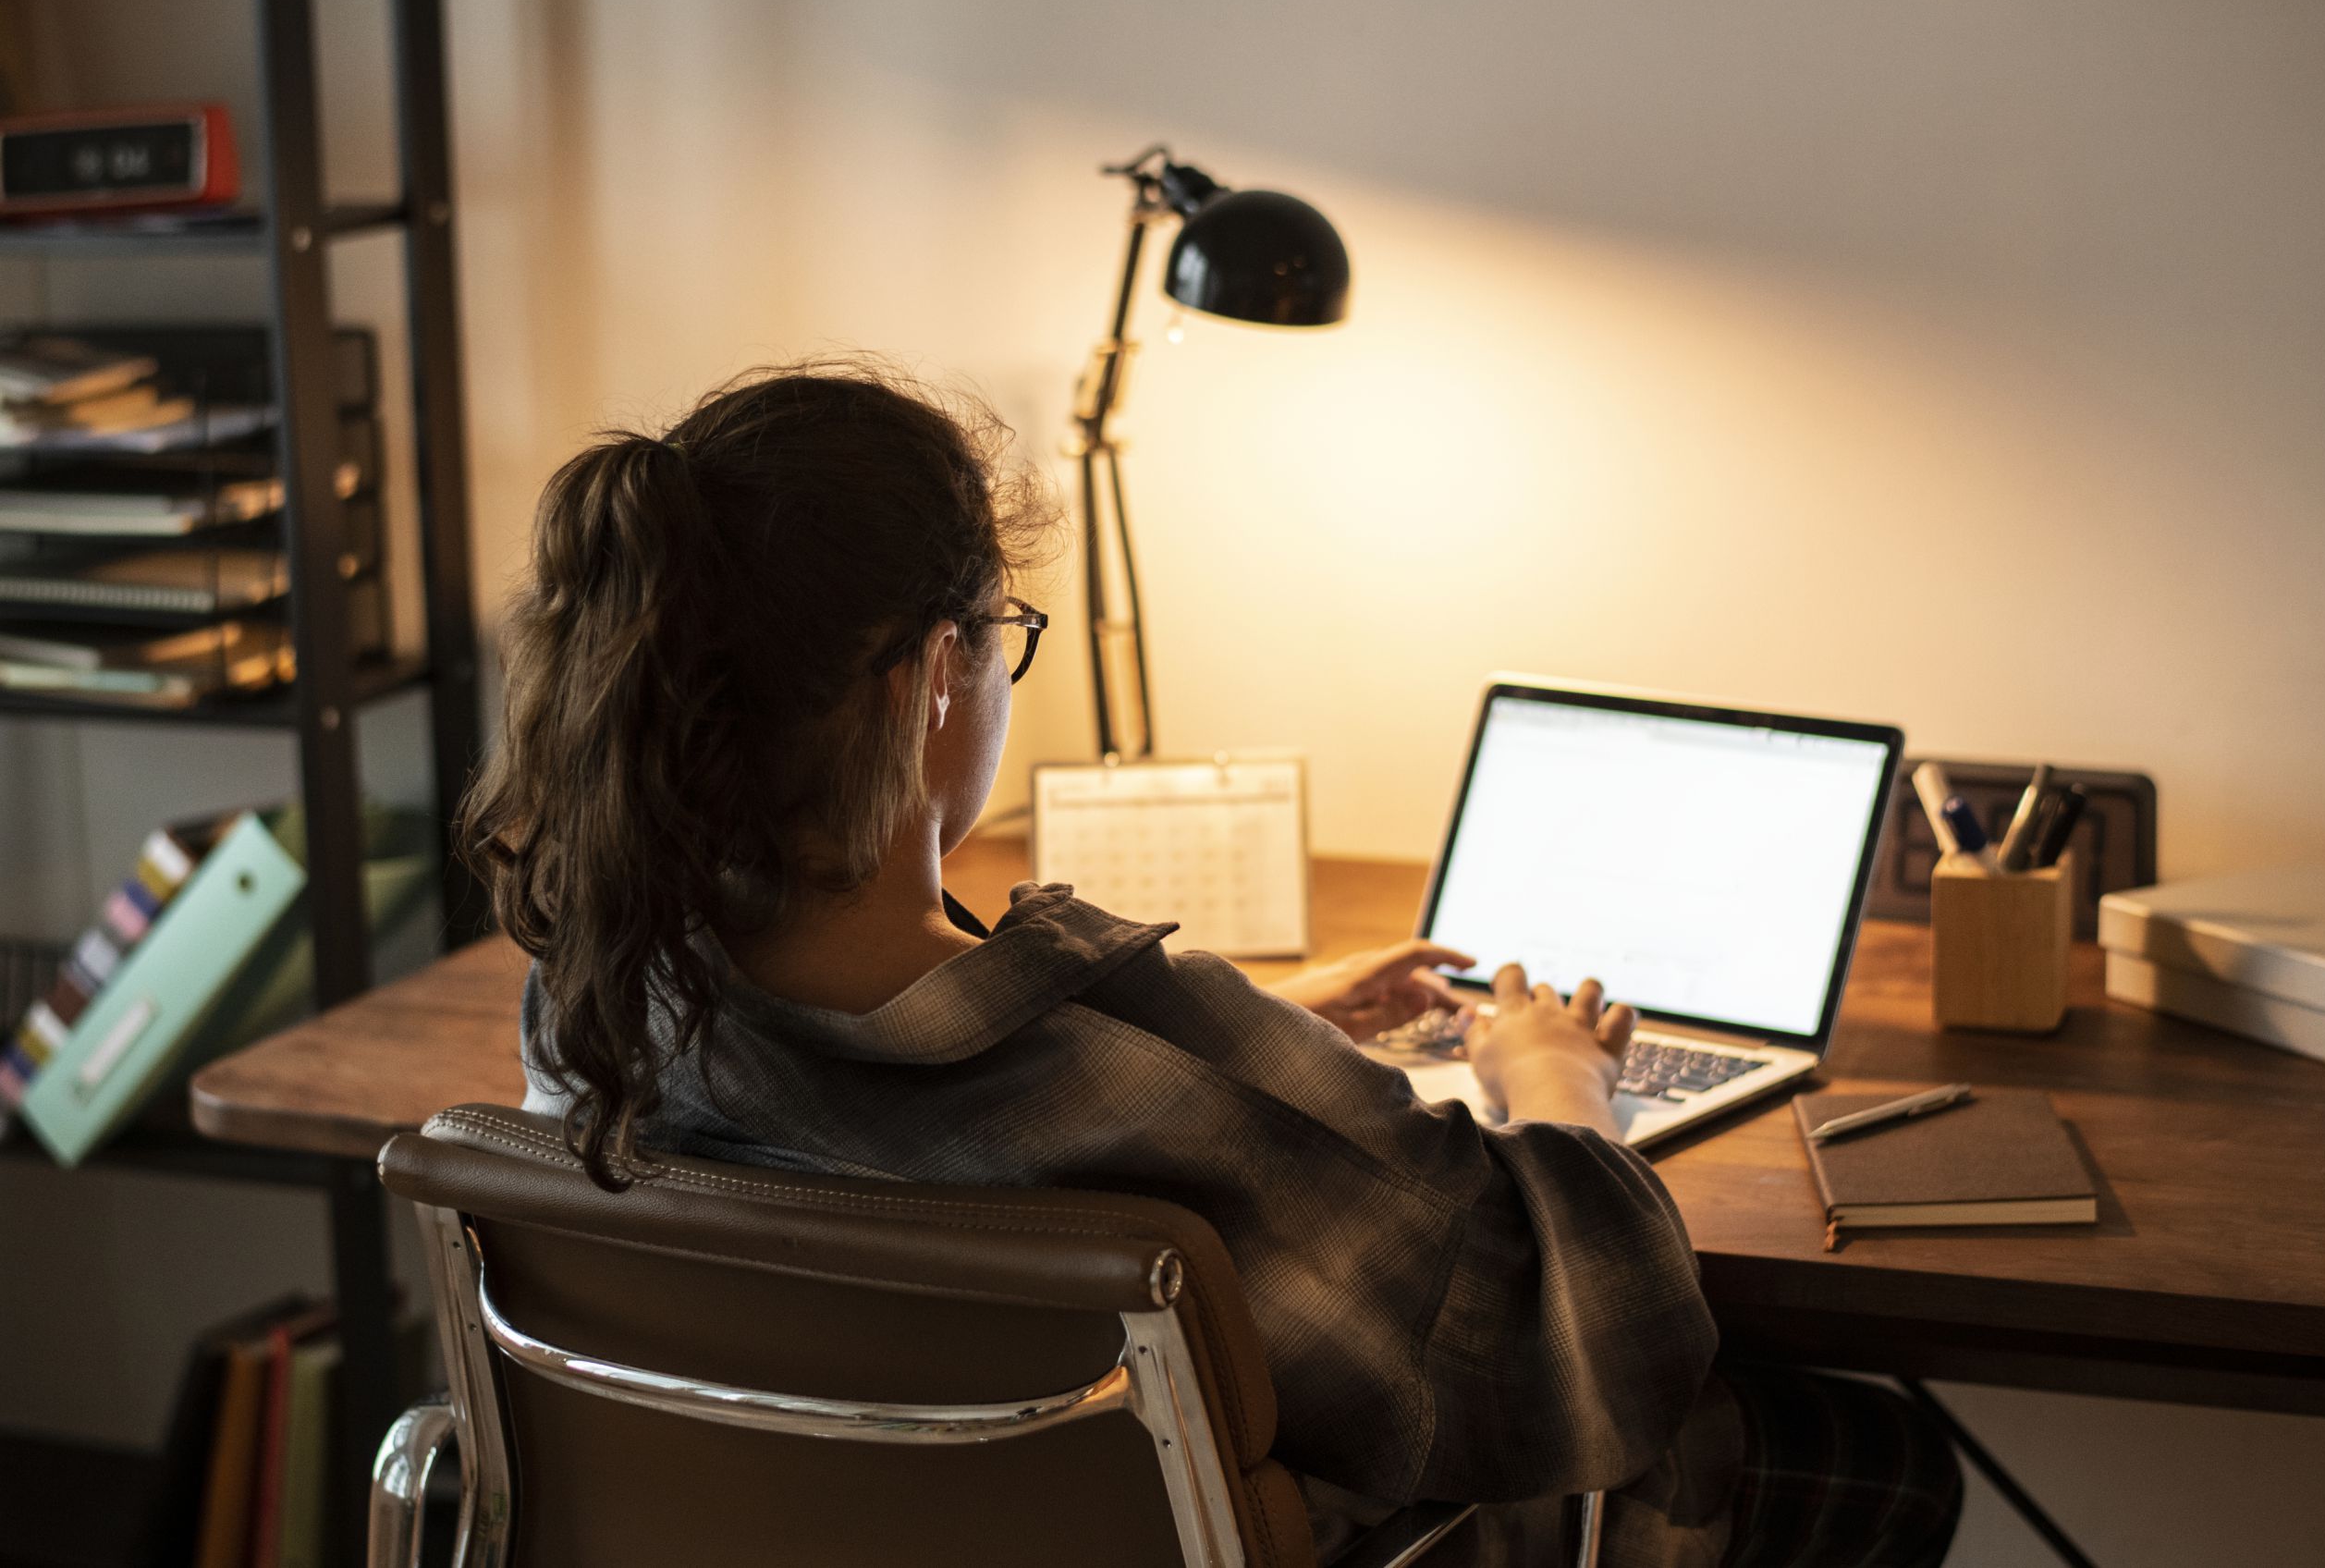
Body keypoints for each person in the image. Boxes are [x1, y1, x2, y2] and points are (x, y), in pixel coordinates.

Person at [460, 363, 1961, 1567]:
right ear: (933, 679)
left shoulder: (597, 1006)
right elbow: (1587, 1338)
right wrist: (1555, 1079)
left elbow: (931, 1105)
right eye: (1004, 634)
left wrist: (1265, 1033)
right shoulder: (1142, 1070)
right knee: (1873, 1463)